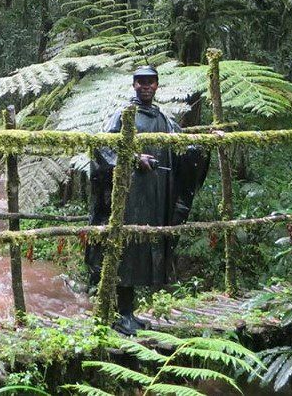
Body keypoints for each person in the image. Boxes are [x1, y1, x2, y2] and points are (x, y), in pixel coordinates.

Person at [86, 65, 208, 335]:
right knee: (125, 250)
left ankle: (130, 312)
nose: (145, 86)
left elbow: (183, 146)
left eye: (150, 82)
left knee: (144, 251)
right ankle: (121, 314)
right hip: (128, 199)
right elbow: (102, 146)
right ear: (134, 85)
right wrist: (133, 158)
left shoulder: (164, 120)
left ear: (156, 85)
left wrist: (206, 142)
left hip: (153, 198)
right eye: (140, 82)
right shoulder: (123, 115)